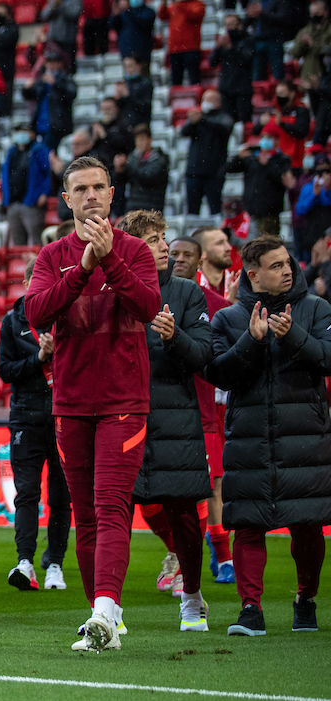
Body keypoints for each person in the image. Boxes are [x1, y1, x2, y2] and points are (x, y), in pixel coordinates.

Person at [24, 156, 161, 652]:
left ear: (112, 192)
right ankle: (103, 616)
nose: (90, 196)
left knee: (110, 506)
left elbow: (147, 307)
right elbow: (36, 311)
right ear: (66, 198)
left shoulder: (135, 252)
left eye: (98, 186)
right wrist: (82, 269)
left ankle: (105, 609)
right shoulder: (52, 255)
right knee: (86, 512)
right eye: (79, 188)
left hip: (125, 400)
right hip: (71, 402)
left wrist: (108, 261)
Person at [206, 236, 330, 636]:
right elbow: (219, 374)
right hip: (249, 438)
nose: (288, 270)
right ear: (253, 274)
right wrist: (253, 340)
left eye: (288, 263)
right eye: (276, 265)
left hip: (306, 438)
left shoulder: (317, 309)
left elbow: (329, 360)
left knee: (309, 526)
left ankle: (305, 600)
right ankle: (250, 610)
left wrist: (293, 336)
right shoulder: (228, 319)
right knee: (248, 524)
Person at [123, 210, 215, 630]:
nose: (164, 246)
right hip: (122, 417)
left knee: (184, 514)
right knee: (114, 513)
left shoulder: (185, 293)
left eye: (163, 237)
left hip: (176, 417)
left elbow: (204, 357)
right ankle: (107, 606)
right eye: (153, 239)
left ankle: (192, 597)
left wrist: (174, 337)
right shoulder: (112, 293)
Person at [168, 234, 236, 584]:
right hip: (161, 410)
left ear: (199, 262)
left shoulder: (217, 304)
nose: (178, 259)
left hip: (204, 410)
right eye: (173, 253)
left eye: (186, 254)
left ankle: (222, 557)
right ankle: (177, 554)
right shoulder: (152, 297)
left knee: (211, 487)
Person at [0, 257, 70, 591]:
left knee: (61, 494)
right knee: (26, 493)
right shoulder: (14, 321)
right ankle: (24, 561)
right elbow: (5, 370)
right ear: (28, 283)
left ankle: (55, 562)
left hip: (65, 416)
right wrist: (38, 359)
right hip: (26, 417)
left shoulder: (69, 316)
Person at [226, 125, 295, 240]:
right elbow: (228, 169)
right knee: (250, 246)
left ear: (277, 140)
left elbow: (283, 181)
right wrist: (238, 157)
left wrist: (268, 165)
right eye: (263, 137)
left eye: (269, 137)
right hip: (250, 210)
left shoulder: (282, 160)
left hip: (270, 212)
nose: (265, 140)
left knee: (268, 245)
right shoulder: (252, 158)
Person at [181, 92, 235, 216]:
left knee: (215, 210)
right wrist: (193, 121)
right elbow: (184, 132)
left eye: (209, 99)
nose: (206, 102)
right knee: (192, 211)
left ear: (218, 102)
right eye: (204, 99)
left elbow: (224, 129)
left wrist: (203, 120)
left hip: (214, 172)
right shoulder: (197, 119)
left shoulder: (223, 117)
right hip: (194, 171)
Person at [3, 124, 53, 246]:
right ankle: (20, 265)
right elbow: (5, 176)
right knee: (18, 243)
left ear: (32, 134)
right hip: (14, 203)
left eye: (23, 131)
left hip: (32, 203)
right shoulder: (11, 152)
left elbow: (49, 173)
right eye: (18, 131)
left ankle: (41, 264)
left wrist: (45, 193)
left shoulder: (39, 150)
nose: (20, 134)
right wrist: (6, 200)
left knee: (37, 240)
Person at [23, 52, 76, 151]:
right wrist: (26, 88)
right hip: (40, 125)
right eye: (49, 62)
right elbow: (30, 95)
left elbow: (72, 93)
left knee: (50, 156)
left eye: (54, 62)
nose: (51, 65)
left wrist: (56, 83)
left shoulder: (65, 78)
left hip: (57, 126)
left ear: (59, 64)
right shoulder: (42, 80)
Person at [253, 81, 311, 169]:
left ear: (292, 94)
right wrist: (260, 124)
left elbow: (302, 132)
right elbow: (255, 131)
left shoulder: (301, 111)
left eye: (282, 93)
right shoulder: (272, 110)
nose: (279, 96)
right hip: (272, 162)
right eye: (277, 93)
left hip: (293, 162)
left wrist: (282, 124)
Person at [211, 14, 256, 124]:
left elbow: (245, 60)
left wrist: (230, 47)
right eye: (227, 24)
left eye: (232, 24)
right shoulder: (223, 42)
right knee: (227, 121)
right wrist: (217, 48)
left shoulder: (247, 40)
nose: (229, 27)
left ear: (239, 25)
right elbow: (212, 63)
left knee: (244, 121)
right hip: (226, 87)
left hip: (242, 87)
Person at [116, 125, 169, 213]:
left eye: (142, 139)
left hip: (152, 208)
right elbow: (120, 181)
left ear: (150, 139)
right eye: (137, 140)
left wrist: (127, 166)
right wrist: (119, 170)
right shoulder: (133, 157)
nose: (139, 143)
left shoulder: (160, 159)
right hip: (132, 207)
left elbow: (148, 178)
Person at [160, 0, 206, 85]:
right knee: (176, 80)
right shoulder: (174, 6)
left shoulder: (198, 4)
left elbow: (193, 16)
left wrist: (179, 5)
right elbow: (163, 16)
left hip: (191, 48)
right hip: (175, 49)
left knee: (194, 79)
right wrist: (164, 4)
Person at [115, 56, 154, 132]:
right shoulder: (124, 83)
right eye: (125, 66)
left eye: (130, 66)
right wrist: (117, 98)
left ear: (139, 66)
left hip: (140, 125)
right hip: (125, 126)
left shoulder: (145, 83)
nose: (127, 70)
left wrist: (128, 97)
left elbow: (144, 107)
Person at [41, 0, 83, 67]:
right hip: (54, 40)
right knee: (53, 67)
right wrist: (53, 6)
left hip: (68, 40)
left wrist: (61, 5)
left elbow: (73, 14)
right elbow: (44, 15)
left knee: (68, 68)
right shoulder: (54, 1)